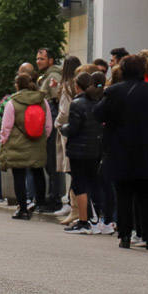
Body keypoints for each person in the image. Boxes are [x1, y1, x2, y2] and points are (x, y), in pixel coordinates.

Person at [94, 55, 148, 250]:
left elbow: (98, 114)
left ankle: (125, 235)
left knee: (124, 195)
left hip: (122, 150)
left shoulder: (114, 91)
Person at [0, 73, 51, 220]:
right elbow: (48, 125)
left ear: (17, 85)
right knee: (38, 173)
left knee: (19, 176)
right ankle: (40, 204)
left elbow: (6, 127)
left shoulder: (12, 102)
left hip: (17, 145)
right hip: (38, 143)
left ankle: (22, 209)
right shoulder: (42, 101)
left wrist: (4, 141)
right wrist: (43, 138)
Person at [61, 72, 106, 234]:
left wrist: (63, 129)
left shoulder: (77, 103)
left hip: (79, 150)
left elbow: (73, 128)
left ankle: (83, 220)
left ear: (77, 86)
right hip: (96, 149)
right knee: (95, 183)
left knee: (80, 185)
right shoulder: (100, 101)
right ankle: (101, 219)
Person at [36, 48, 64, 212]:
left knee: (53, 162)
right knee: (49, 162)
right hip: (47, 122)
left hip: (51, 122)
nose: (38, 61)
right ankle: (51, 196)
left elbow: (55, 100)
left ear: (51, 60)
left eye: (42, 59)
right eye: (38, 59)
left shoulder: (53, 76)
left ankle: (55, 198)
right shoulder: (46, 76)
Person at [53, 56, 80, 220]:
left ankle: (74, 208)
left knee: (72, 169)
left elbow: (64, 112)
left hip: (68, 131)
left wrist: (57, 123)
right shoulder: (79, 84)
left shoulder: (66, 87)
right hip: (79, 129)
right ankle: (75, 207)